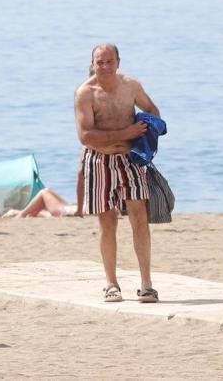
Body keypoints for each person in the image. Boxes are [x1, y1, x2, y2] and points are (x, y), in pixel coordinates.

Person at [74, 43, 161, 304]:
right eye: (100, 62)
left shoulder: (131, 86)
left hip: (130, 160)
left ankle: (146, 284)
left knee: (139, 216)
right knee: (107, 221)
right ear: (93, 63)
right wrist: (125, 134)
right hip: (99, 160)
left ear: (118, 62)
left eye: (109, 61)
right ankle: (111, 284)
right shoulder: (85, 93)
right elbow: (86, 136)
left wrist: (146, 135)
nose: (105, 66)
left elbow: (153, 111)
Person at [1, 188, 79, 218]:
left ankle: (20, 215)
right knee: (47, 192)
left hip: (67, 211)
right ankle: (18, 213)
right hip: (72, 209)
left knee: (44, 192)